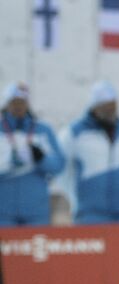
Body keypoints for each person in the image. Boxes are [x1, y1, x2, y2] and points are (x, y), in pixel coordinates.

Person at [61, 81, 119, 224]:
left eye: (113, 105)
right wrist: (74, 197)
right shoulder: (74, 133)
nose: (111, 110)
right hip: (90, 214)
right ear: (95, 107)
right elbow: (62, 169)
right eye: (106, 106)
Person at [1, 82, 65, 227]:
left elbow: (59, 164)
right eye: (14, 102)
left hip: (36, 209)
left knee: (38, 240)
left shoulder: (42, 130)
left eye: (22, 102)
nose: (18, 106)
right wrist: (8, 162)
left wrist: (41, 158)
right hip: (3, 210)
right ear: (7, 103)